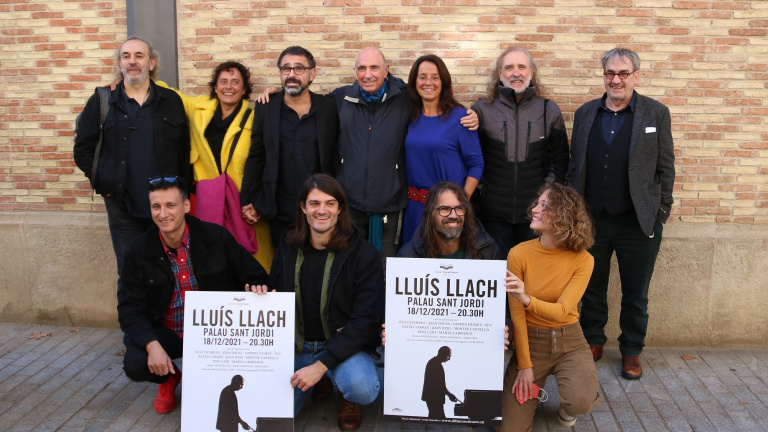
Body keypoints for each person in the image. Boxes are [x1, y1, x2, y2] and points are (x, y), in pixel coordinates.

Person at [259, 48, 479, 263]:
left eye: (374, 67)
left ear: (386, 70)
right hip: (350, 205)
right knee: (349, 265)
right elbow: (308, 99)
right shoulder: (342, 98)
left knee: (387, 269)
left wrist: (474, 115)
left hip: (390, 206)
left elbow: (434, 101)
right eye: (362, 68)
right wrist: (283, 91)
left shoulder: (404, 97)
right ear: (355, 71)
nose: (368, 74)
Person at [565, 48, 675, 380]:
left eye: (623, 73)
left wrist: (661, 211)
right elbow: (575, 165)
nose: (616, 80)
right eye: (610, 73)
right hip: (592, 220)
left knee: (636, 293)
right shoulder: (586, 113)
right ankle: (593, 341)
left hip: (638, 221)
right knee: (591, 287)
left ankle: (631, 350)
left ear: (635, 76)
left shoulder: (656, 113)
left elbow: (665, 167)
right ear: (604, 76)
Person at [118, 177, 269, 414]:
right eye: (156, 207)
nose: (163, 214)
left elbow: (256, 275)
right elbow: (129, 309)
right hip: (170, 332)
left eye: (170, 205)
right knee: (135, 363)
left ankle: (209, 377)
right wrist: (152, 345)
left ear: (186, 206)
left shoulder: (216, 237)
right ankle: (169, 377)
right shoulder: (138, 251)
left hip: (215, 334)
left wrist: (259, 289)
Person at [248, 174, 384, 430]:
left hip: (341, 346)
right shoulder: (288, 245)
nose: (322, 210)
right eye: (314, 203)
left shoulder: (363, 254)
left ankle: (344, 393)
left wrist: (321, 365)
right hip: (295, 347)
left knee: (362, 387)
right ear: (303, 207)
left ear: (340, 208)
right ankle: (318, 380)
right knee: (268, 415)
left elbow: (366, 321)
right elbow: (276, 289)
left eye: (330, 203)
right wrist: (262, 292)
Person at [73, 36, 190, 293]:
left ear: (151, 63)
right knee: (130, 270)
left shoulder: (171, 100)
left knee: (168, 268)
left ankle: (167, 318)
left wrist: (182, 195)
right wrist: (104, 183)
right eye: (126, 56)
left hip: (165, 206)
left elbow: (183, 151)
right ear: (120, 63)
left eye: (139, 55)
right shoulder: (103, 101)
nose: (132, 61)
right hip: (122, 204)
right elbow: (82, 149)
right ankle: (135, 320)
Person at [503, 183, 601, 431]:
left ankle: (567, 409)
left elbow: (561, 311)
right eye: (537, 204)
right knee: (509, 428)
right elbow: (518, 316)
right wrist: (525, 365)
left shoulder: (584, 259)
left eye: (544, 206)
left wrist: (527, 299)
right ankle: (533, 393)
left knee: (580, 401)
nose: (535, 209)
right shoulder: (518, 254)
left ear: (564, 216)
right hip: (531, 341)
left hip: (570, 340)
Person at [471, 46, 569, 255]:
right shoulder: (481, 110)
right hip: (493, 218)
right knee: (498, 272)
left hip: (535, 218)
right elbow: (471, 159)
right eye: (509, 68)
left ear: (531, 72)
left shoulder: (548, 110)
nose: (516, 73)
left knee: (531, 273)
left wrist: (543, 200)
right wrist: (482, 195)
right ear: (500, 74)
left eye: (522, 67)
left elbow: (559, 161)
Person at [241, 46, 339, 248]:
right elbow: (256, 155)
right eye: (286, 68)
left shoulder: (328, 107)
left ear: (312, 73)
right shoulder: (266, 107)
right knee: (283, 263)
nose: (292, 74)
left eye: (299, 68)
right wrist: (247, 198)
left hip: (318, 208)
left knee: (318, 262)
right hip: (279, 209)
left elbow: (336, 154)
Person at [401, 55, 483, 242]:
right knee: (414, 258)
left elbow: (476, 164)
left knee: (446, 259)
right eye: (422, 77)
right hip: (414, 210)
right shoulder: (409, 115)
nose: (428, 82)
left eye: (435, 77)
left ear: (444, 82)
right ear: (414, 82)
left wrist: (460, 204)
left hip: (447, 212)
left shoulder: (461, 118)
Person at [398, 181, 501, 260]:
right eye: (445, 209)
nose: (453, 215)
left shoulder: (487, 251)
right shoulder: (408, 256)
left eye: (459, 208)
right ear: (430, 214)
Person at [421, 346, 458, 419]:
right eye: (449, 356)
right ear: (443, 354)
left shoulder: (433, 362)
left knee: (434, 418)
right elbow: (440, 385)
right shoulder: (436, 365)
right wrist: (450, 395)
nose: (449, 359)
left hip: (432, 398)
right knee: (439, 419)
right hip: (435, 398)